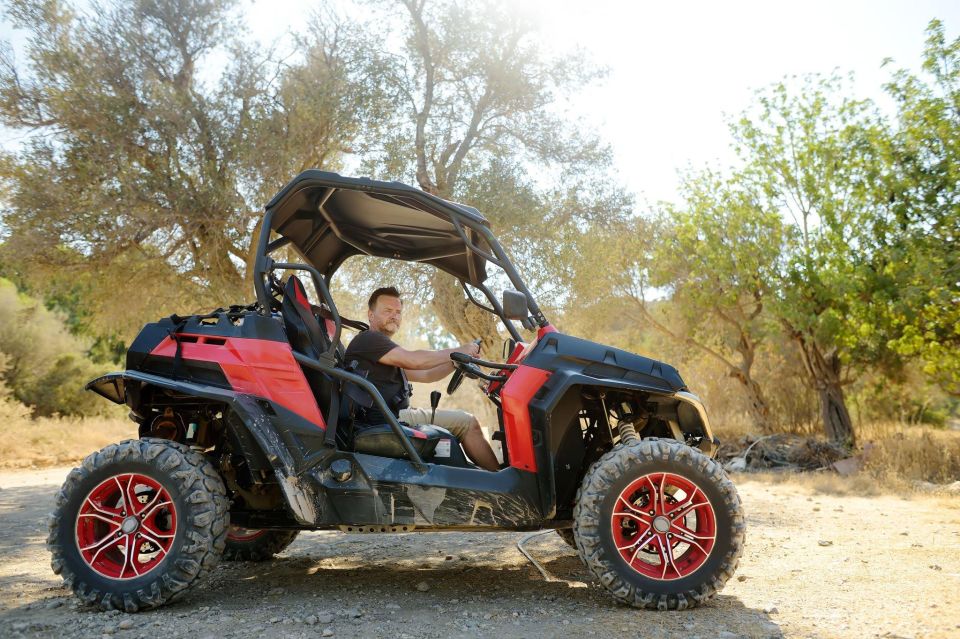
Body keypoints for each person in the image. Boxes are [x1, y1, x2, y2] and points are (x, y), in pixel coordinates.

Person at [344, 286, 500, 472]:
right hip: (386, 420)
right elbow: (415, 361)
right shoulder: (369, 340)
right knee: (468, 424)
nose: (394, 316)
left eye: (398, 312)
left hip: (394, 415)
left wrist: (456, 363)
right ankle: (504, 488)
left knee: (466, 421)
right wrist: (459, 351)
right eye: (387, 311)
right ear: (371, 315)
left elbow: (426, 374)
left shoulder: (382, 350)